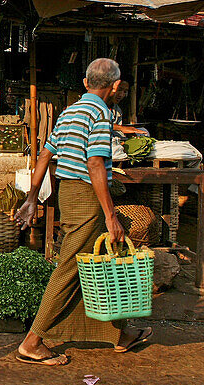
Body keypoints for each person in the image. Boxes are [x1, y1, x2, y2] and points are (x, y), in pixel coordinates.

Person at [13, 58, 152, 366]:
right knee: (70, 268)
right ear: (114, 86)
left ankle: (119, 335)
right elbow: (95, 164)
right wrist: (110, 214)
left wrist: (32, 198)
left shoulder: (69, 111)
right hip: (87, 196)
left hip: (68, 193)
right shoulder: (101, 114)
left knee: (95, 265)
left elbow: (45, 156)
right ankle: (32, 341)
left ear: (86, 83)